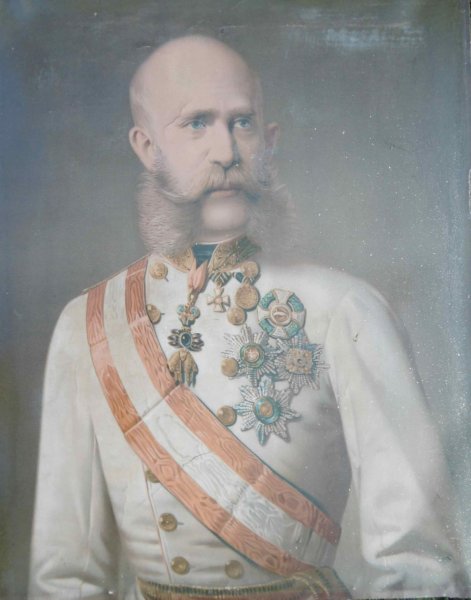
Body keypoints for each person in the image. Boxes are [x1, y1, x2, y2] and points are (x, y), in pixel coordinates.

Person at [28, 35, 467, 600]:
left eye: (242, 123)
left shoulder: (344, 309)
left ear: (269, 140)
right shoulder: (86, 323)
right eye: (196, 124)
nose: (226, 151)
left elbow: (420, 566)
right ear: (146, 146)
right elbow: (64, 578)